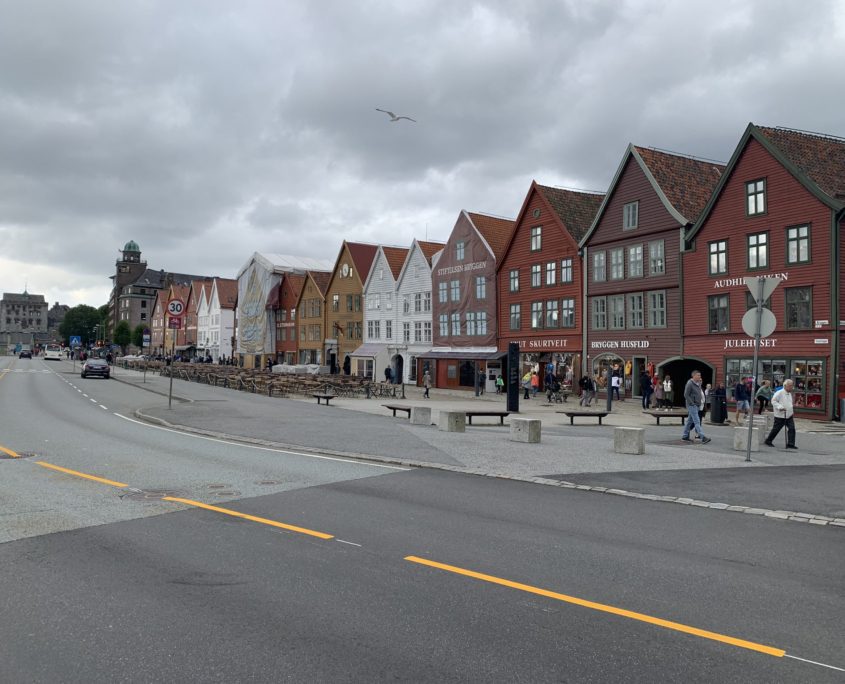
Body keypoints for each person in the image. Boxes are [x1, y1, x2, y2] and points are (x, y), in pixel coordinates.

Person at [765, 379, 797, 449]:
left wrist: (791, 411)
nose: (792, 387)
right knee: (776, 429)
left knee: (792, 429)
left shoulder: (789, 393)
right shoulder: (779, 393)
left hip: (789, 415)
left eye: (792, 385)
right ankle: (768, 440)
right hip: (780, 415)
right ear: (785, 386)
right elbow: (773, 401)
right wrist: (780, 407)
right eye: (790, 386)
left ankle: (791, 444)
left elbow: (789, 403)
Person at [681, 370, 711, 444]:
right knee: (697, 421)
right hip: (692, 405)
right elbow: (686, 395)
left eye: (700, 375)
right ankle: (703, 437)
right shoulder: (689, 383)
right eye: (698, 375)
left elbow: (698, 393)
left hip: (697, 405)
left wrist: (700, 383)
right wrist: (692, 403)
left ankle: (685, 436)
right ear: (693, 376)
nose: (699, 377)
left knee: (689, 422)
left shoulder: (698, 384)